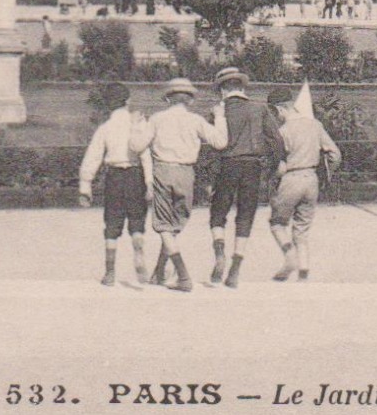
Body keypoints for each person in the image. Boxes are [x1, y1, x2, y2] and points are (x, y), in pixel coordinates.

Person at [137, 78, 226, 292]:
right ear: (191, 100)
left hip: (163, 170)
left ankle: (183, 275)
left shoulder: (157, 119)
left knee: (164, 225)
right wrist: (220, 118)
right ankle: (160, 270)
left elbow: (137, 145)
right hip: (187, 173)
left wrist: (137, 127)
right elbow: (220, 142)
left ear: (168, 98)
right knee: (175, 224)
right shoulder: (195, 120)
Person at [207, 67, 283, 288]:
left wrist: (210, 177)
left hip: (226, 165)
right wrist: (272, 168)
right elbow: (276, 141)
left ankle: (219, 252)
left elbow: (211, 147)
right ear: (242, 87)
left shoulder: (218, 112)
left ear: (223, 90)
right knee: (245, 216)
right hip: (253, 166)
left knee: (218, 214)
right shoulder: (260, 109)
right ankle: (235, 268)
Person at [77, 82, 152, 286]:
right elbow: (146, 155)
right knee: (137, 218)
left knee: (112, 222)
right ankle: (138, 250)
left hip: (114, 177)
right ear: (127, 101)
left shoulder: (105, 128)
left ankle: (110, 273)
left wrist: (86, 185)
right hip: (136, 174)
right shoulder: (139, 124)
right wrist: (149, 182)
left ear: (109, 105)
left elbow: (93, 157)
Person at [265, 88, 341, 282]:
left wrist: (272, 180)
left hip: (291, 179)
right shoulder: (315, 125)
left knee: (277, 223)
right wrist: (326, 175)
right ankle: (304, 273)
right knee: (302, 230)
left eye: (275, 113)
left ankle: (289, 257)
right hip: (311, 179)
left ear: (280, 109)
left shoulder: (282, 132)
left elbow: (279, 166)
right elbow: (335, 154)